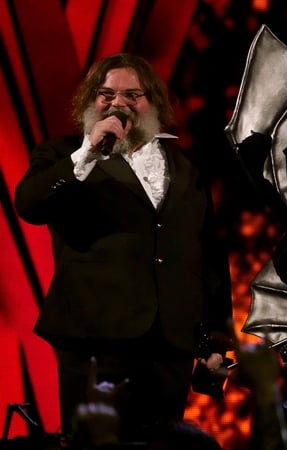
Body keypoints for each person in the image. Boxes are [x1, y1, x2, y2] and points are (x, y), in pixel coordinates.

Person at [14, 53, 233, 444]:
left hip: (169, 347)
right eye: (106, 94)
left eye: (133, 94)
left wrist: (214, 341)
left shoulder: (185, 167)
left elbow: (208, 255)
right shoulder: (61, 155)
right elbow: (29, 205)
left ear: (155, 104)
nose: (118, 103)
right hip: (94, 341)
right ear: (89, 101)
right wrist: (87, 154)